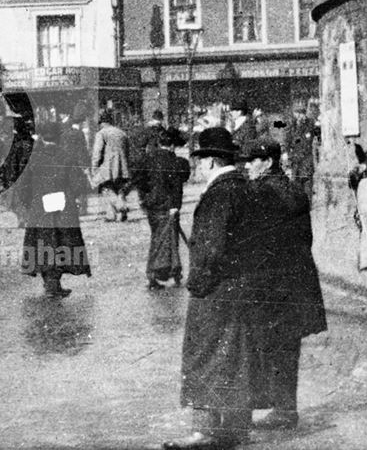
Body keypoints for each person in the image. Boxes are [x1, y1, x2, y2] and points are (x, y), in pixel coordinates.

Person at [164, 127, 253, 450]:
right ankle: (235, 427)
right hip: (240, 287)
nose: (199, 168)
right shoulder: (245, 188)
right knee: (235, 355)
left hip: (215, 291)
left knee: (204, 353)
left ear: (213, 162)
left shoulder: (219, 194)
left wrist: (197, 284)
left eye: (201, 162)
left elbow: (211, 249)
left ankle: (203, 430)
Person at [240, 139, 327, 430]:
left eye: (252, 160)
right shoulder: (294, 190)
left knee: (267, 345)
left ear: (266, 162)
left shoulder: (260, 192)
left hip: (272, 283)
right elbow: (306, 237)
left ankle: (279, 409)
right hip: (298, 280)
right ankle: (285, 407)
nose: (247, 165)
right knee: (287, 347)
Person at [16, 122, 92, 298]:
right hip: (63, 209)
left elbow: (22, 187)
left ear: (41, 137)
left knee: (43, 243)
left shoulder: (33, 158)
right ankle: (53, 283)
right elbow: (78, 184)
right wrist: (70, 196)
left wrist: (30, 204)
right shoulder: (66, 156)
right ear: (58, 137)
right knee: (61, 244)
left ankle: (50, 282)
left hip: (39, 209)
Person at [130, 127, 191, 290]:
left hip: (152, 205)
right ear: (171, 145)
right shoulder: (174, 161)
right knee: (168, 239)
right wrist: (175, 206)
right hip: (167, 205)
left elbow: (137, 177)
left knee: (157, 236)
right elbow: (177, 186)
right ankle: (164, 270)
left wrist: (145, 196)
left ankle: (161, 272)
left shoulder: (148, 159)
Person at [90, 109, 130, 222]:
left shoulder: (102, 133)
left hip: (108, 166)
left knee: (107, 189)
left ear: (101, 122)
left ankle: (120, 206)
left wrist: (94, 168)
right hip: (123, 165)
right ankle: (114, 214)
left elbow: (97, 153)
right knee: (120, 189)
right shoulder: (122, 132)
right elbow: (127, 150)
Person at [285, 105, 317, 197]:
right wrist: (287, 155)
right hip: (295, 163)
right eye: (297, 114)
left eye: (301, 114)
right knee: (295, 189)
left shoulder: (310, 124)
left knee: (307, 189)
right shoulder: (292, 125)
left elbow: (312, 140)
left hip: (306, 162)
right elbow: (287, 141)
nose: (299, 116)